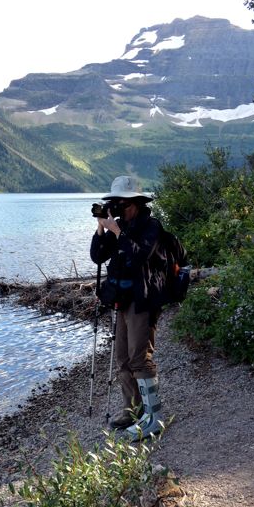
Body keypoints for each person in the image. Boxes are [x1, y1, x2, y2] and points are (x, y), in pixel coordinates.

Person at [90, 175, 168, 440]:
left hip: (143, 299)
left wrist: (118, 232)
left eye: (122, 204)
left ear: (136, 203)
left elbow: (139, 255)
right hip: (122, 299)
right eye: (115, 204)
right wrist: (102, 229)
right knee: (122, 357)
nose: (118, 209)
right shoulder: (119, 226)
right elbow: (98, 256)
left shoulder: (151, 226)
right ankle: (132, 410)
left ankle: (153, 416)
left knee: (139, 357)